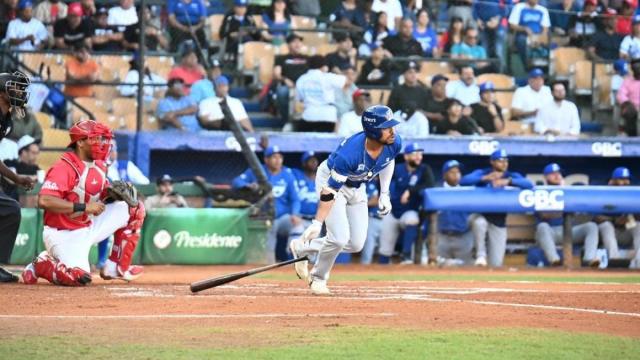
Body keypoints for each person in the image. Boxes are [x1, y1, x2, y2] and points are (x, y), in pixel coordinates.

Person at [289, 105, 402, 294]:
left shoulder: (394, 142)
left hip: (357, 187)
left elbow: (387, 161)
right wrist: (317, 222)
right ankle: (318, 278)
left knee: (356, 243)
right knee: (339, 238)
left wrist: (384, 193)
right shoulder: (349, 154)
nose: (392, 131)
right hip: (331, 183)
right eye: (386, 127)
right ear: (373, 131)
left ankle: (303, 248)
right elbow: (330, 191)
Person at [21, 120, 145, 286]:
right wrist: (85, 207)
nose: (102, 143)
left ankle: (115, 267)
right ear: (80, 142)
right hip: (62, 233)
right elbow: (44, 200)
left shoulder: (101, 165)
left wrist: (113, 195)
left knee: (134, 208)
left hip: (88, 224)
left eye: (103, 139)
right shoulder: (64, 167)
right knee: (79, 278)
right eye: (96, 139)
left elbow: (96, 195)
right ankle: (42, 264)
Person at [460, 149, 533, 267]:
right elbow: (464, 181)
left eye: (506, 161)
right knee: (479, 223)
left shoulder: (511, 175)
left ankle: (482, 258)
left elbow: (529, 184)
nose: (504, 163)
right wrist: (485, 178)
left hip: (498, 222)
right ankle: (480, 255)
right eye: (500, 161)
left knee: (496, 264)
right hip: (480, 215)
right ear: (492, 162)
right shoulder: (483, 172)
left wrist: (508, 181)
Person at [233, 145, 301, 262]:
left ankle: (294, 258)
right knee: (270, 236)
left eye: (280, 157)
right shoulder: (257, 171)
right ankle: (270, 264)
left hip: (283, 217)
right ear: (266, 159)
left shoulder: (288, 174)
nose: (278, 160)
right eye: (274, 157)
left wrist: (295, 214)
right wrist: (248, 185)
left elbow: (295, 199)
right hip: (263, 217)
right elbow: (236, 181)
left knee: (298, 227)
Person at [0, 71, 35, 283]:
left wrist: (16, 179)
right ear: (2, 92)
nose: (21, 92)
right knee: (10, 209)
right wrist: (14, 177)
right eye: (15, 88)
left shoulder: (8, 120)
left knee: (10, 210)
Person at [378, 142, 434, 264]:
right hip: (392, 211)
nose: (419, 157)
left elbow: (430, 185)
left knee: (412, 219)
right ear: (406, 156)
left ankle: (406, 256)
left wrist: (410, 190)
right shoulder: (396, 169)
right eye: (415, 154)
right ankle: (381, 270)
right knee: (385, 249)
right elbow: (383, 185)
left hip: (409, 210)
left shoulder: (424, 169)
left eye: (420, 154)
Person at [535, 163, 600, 267]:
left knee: (591, 226)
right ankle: (554, 260)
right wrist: (565, 209)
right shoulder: (541, 192)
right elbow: (544, 215)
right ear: (545, 177)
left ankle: (589, 258)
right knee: (542, 226)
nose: (557, 176)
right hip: (551, 232)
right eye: (552, 174)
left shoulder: (568, 191)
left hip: (570, 230)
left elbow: (579, 213)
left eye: (558, 173)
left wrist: (564, 192)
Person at [97, 138, 149, 270]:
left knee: (135, 211)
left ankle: (119, 262)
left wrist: (131, 188)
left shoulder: (126, 166)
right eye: (108, 150)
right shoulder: (97, 167)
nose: (111, 153)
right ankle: (102, 260)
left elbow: (146, 183)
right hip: (102, 207)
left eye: (113, 150)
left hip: (123, 206)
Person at [596, 167, 640, 268]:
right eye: (621, 179)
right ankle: (615, 261)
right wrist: (614, 220)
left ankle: (639, 263)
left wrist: (631, 218)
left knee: (638, 226)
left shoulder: (634, 194)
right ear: (612, 181)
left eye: (627, 179)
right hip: (609, 234)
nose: (625, 182)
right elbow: (596, 217)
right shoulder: (604, 194)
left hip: (626, 232)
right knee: (606, 226)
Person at [294, 55, 349, 132]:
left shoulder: (301, 79)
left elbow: (299, 100)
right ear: (324, 66)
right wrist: (337, 72)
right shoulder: (328, 77)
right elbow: (346, 81)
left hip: (309, 115)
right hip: (327, 116)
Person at [436, 160, 474, 266]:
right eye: (452, 172)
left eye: (458, 172)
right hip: (441, 238)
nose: (456, 175)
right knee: (436, 270)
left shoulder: (466, 192)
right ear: (444, 175)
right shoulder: (436, 191)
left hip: (463, 237)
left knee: (467, 271)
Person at [270, 33, 308, 124]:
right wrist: (285, 79)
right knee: (282, 92)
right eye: (294, 42)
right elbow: (276, 74)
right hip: (288, 86)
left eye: (299, 42)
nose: (298, 44)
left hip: (305, 86)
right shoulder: (281, 58)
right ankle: (287, 120)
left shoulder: (307, 58)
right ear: (288, 44)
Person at [508, 0, 550, 67]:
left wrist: (542, 36)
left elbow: (545, 26)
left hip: (538, 34)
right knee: (521, 41)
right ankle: (527, 66)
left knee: (549, 42)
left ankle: (544, 68)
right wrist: (524, 28)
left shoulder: (543, 9)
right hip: (523, 34)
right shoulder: (519, 7)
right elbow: (512, 24)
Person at [289, 151, 319, 245]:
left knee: (314, 252)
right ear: (304, 163)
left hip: (316, 221)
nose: (314, 162)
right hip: (300, 218)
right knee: (295, 247)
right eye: (310, 160)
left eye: (315, 160)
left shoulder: (323, 179)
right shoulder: (296, 175)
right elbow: (280, 169)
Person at [2, 135, 41, 201]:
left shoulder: (36, 168)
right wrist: (33, 178)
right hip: (11, 201)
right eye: (33, 153)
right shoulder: (9, 163)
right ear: (23, 152)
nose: (36, 156)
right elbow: (11, 179)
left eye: (37, 153)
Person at [473, 0, 506, 70]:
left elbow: (507, 8)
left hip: (498, 25)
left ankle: (501, 71)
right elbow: (474, 8)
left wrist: (497, 19)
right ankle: (485, 71)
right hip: (483, 26)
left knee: (498, 50)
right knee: (484, 50)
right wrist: (477, 20)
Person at [360, 179, 382, 265]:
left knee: (385, 249)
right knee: (368, 247)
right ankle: (364, 270)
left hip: (386, 219)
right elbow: (374, 200)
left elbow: (375, 200)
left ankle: (385, 271)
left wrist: (360, 204)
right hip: (372, 218)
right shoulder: (367, 183)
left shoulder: (387, 183)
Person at [617, 58, 640, 136]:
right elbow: (621, 95)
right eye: (636, 66)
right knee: (630, 111)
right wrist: (627, 103)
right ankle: (632, 138)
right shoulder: (627, 81)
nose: (638, 68)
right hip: (632, 107)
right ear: (632, 69)